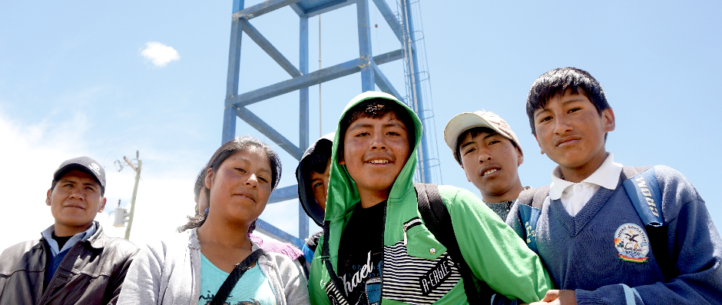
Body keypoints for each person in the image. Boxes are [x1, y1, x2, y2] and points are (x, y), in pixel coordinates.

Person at [308, 91, 552, 305]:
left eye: (393, 133)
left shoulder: (448, 206)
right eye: (362, 134)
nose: (378, 143)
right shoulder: (327, 247)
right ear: (340, 153)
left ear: (411, 147)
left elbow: (538, 291)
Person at [507, 67, 722, 304]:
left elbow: (710, 291)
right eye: (546, 118)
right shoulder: (526, 212)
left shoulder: (661, 188)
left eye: (573, 109)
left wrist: (589, 301)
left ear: (607, 119)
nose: (560, 127)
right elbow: (500, 293)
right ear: (537, 140)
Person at [119, 136, 309, 305]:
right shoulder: (159, 257)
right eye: (240, 169)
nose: (252, 181)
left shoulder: (286, 273)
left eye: (263, 178)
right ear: (210, 178)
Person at [0, 156, 139, 305]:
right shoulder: (10, 257)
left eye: (89, 188)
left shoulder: (125, 258)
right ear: (49, 196)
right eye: (68, 185)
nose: (76, 194)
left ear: (102, 204)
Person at [443, 111, 529, 221]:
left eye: (493, 142)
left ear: (518, 153)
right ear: (465, 171)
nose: (483, 156)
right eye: (470, 150)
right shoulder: (464, 232)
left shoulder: (552, 207)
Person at [294, 133, 334, 268]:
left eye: (334, 176)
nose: (327, 190)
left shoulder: (399, 230)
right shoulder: (314, 250)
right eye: (317, 184)